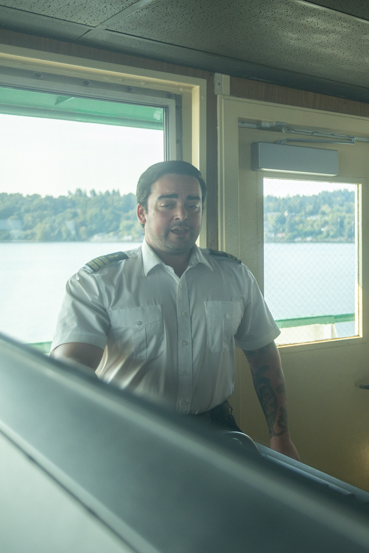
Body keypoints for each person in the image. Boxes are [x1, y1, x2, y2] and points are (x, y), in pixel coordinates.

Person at [51, 160, 300, 460]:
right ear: (142, 212)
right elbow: (71, 367)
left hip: (217, 431)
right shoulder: (99, 282)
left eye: (193, 205)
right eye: (167, 204)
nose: (182, 214)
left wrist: (281, 437)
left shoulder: (234, 276)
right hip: (128, 435)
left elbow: (263, 356)